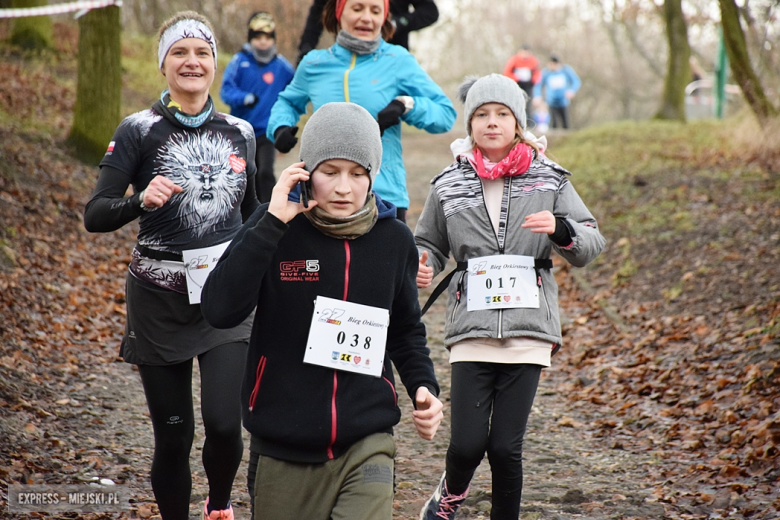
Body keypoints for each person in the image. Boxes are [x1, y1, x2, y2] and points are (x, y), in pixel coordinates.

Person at [201, 102, 444, 520]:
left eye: (357, 174)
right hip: (282, 444)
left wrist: (424, 386)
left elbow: (404, 329)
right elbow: (220, 310)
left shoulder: (395, 239)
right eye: (330, 172)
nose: (344, 188)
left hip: (368, 438)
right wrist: (273, 222)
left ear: (373, 175)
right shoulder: (275, 228)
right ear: (306, 171)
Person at [83, 11, 260, 520]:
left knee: (226, 423)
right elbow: (96, 215)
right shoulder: (138, 130)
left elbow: (250, 216)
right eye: (179, 52)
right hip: (158, 301)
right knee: (175, 433)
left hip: (223, 298)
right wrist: (139, 201)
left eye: (202, 52)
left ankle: (219, 505)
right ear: (163, 64)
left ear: (215, 64)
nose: (192, 61)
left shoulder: (241, 133)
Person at [415, 74, 605, 519]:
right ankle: (448, 499)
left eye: (502, 114)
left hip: (528, 329)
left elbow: (592, 241)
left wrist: (561, 231)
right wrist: (423, 262)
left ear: (518, 122)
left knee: (504, 447)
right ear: (470, 124)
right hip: (471, 327)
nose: (492, 122)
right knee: (465, 444)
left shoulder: (550, 179)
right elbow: (429, 243)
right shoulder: (448, 184)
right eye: (482, 115)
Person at [267, 0, 456, 223]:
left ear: (384, 17)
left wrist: (405, 105)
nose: (367, 18)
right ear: (339, 13)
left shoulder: (398, 60)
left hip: (384, 196)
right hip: (324, 196)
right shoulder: (314, 64)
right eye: (357, 8)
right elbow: (288, 102)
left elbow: (445, 114)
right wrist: (279, 128)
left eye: (376, 11)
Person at [220, 11, 294, 203]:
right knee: (245, 174)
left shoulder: (282, 67)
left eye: (267, 37)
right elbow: (226, 91)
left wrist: (287, 120)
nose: (262, 42)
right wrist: (244, 98)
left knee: (266, 174)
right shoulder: (239, 62)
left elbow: (296, 91)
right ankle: (244, 216)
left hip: (266, 133)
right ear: (250, 38)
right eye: (258, 37)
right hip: (241, 132)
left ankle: (270, 212)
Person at [296, 0, 439, 62]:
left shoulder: (402, 62)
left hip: (389, 56)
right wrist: (306, 47)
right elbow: (318, 11)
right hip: (346, 53)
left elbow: (430, 12)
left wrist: (396, 23)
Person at [532, 54, 581, 130]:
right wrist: (537, 95)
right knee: (553, 124)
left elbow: (576, 81)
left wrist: (572, 90)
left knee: (566, 123)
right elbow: (538, 84)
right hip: (551, 101)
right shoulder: (546, 72)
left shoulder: (566, 70)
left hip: (563, 101)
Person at [502, 44, 540, 119]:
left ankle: (528, 121)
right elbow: (507, 72)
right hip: (517, 85)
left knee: (528, 104)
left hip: (529, 85)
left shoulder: (533, 61)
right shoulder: (514, 60)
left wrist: (533, 80)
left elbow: (537, 73)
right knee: (517, 103)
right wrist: (516, 79)